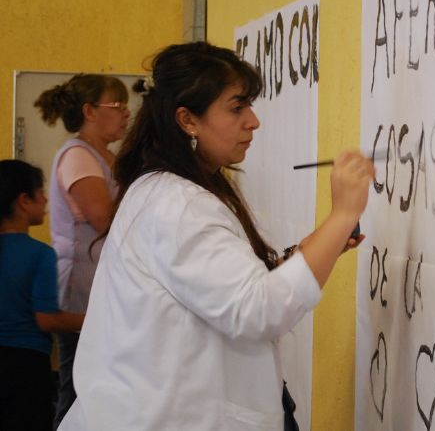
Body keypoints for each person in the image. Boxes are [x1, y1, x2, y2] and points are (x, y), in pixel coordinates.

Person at [57, 42, 374, 431]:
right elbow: (258, 309)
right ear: (188, 120)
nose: (253, 121)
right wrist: (343, 214)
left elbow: (218, 288)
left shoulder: (169, 190)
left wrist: (307, 253)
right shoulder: (176, 203)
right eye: (237, 108)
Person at [34, 73, 131, 427]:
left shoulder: (103, 154)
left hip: (99, 284)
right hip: (79, 287)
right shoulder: (78, 155)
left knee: (99, 390)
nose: (126, 113)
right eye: (117, 105)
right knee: (77, 391)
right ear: (89, 111)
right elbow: (105, 218)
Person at [0, 160, 84, 431]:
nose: (47, 199)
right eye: (41, 192)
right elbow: (47, 320)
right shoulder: (39, 254)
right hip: (25, 365)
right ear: (24, 200)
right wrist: (93, 318)